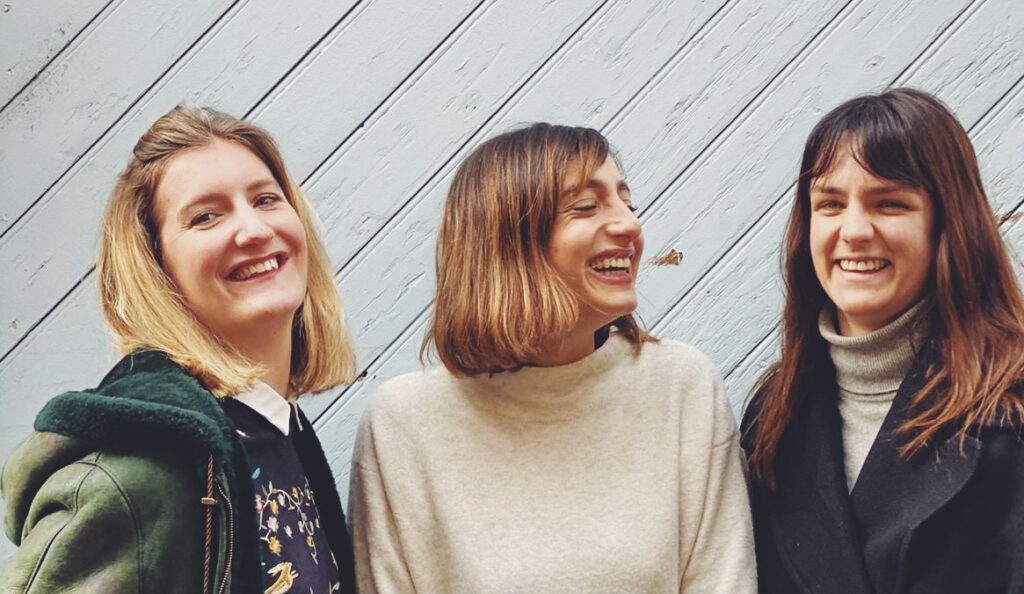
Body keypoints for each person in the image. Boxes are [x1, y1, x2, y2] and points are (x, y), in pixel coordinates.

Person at [348, 123, 756, 594]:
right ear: (507, 242)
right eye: (586, 206)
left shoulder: (682, 387)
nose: (629, 224)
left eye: (628, 202)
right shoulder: (404, 423)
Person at [0, 106, 358, 594]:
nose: (253, 230)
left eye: (266, 199)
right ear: (157, 267)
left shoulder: (273, 427)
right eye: (205, 216)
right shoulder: (136, 476)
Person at [742, 88, 1024, 594]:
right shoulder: (774, 415)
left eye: (889, 203)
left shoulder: (1012, 410)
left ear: (947, 224)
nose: (853, 230)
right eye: (829, 203)